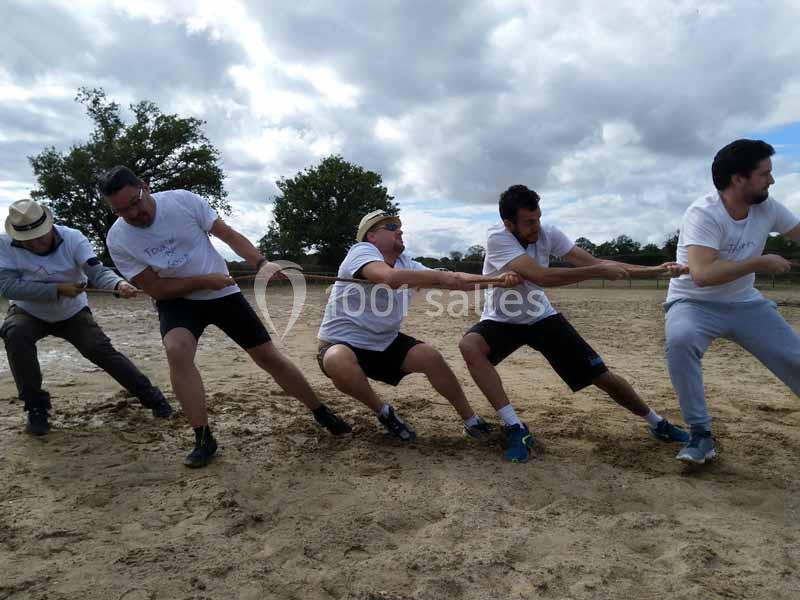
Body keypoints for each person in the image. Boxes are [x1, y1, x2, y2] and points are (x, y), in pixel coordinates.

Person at [101, 166, 350, 468]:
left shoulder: (182, 201)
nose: (133, 213)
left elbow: (228, 235)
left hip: (223, 295)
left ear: (145, 187)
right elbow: (155, 288)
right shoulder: (118, 238)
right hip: (176, 300)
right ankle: (203, 437)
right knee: (177, 350)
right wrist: (203, 281)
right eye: (122, 210)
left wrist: (261, 263)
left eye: (135, 202)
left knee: (268, 356)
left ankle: (320, 411)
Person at [459, 185, 690, 462]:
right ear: (509, 224)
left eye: (538, 218)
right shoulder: (498, 237)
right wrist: (596, 271)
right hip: (501, 319)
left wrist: (654, 270)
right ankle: (515, 427)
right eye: (529, 222)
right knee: (470, 346)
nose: (537, 226)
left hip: (541, 317)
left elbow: (595, 261)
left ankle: (657, 423)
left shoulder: (547, 233)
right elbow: (542, 277)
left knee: (602, 376)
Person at [317, 209, 520, 441]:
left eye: (399, 227)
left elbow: (457, 282)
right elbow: (390, 278)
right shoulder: (361, 251)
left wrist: (498, 280)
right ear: (371, 236)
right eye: (391, 227)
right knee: (337, 359)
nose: (399, 231)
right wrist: (441, 277)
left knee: (431, 358)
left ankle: (471, 420)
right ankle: (384, 413)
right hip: (341, 344)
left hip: (384, 342)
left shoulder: (407, 264)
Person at [665, 139, 800, 464]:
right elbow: (702, 274)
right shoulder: (703, 213)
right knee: (681, 341)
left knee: (795, 358)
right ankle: (701, 435)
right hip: (693, 302)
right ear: (739, 178)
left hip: (745, 303)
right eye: (764, 173)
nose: (771, 180)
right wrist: (759, 262)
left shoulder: (768, 208)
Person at [0, 198, 172, 435]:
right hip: (28, 311)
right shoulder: (4, 244)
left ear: (49, 226)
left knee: (99, 349)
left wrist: (118, 285)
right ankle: (36, 408)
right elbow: (7, 287)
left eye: (39, 237)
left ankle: (152, 398)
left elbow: (96, 271)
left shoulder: (73, 238)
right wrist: (57, 289)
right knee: (15, 333)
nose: (35, 244)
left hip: (72, 311)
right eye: (27, 241)